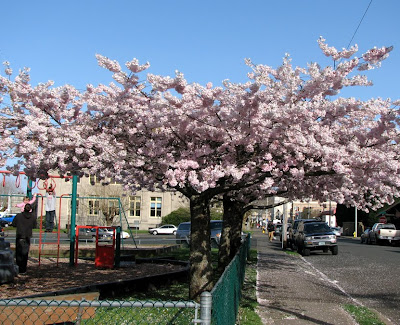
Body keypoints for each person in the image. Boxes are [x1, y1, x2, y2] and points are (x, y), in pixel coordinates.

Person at [11, 203, 36, 273]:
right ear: (30, 209)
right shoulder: (33, 217)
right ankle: (23, 269)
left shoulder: (19, 216)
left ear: (24, 208)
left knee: (19, 253)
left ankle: (18, 268)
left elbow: (14, 224)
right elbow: (34, 226)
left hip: (20, 236)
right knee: (25, 253)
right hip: (27, 236)